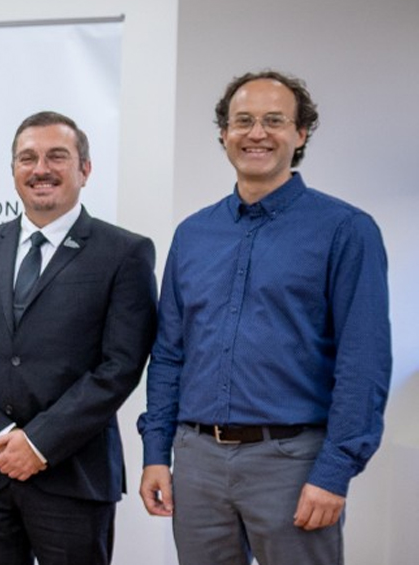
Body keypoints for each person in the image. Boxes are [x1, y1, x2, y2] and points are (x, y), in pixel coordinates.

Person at [138, 70, 391, 565]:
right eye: (243, 121)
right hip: (197, 461)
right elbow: (169, 354)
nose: (257, 133)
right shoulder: (193, 235)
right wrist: (156, 454)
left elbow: (363, 362)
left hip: (292, 463)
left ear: (300, 134)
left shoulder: (345, 230)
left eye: (274, 121)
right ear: (224, 134)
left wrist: (334, 471)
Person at [0, 111, 155, 565]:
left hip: (73, 474)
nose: (41, 169)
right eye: (27, 158)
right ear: (13, 170)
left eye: (57, 156)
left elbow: (120, 366)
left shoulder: (123, 252)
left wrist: (37, 444)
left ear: (85, 169)